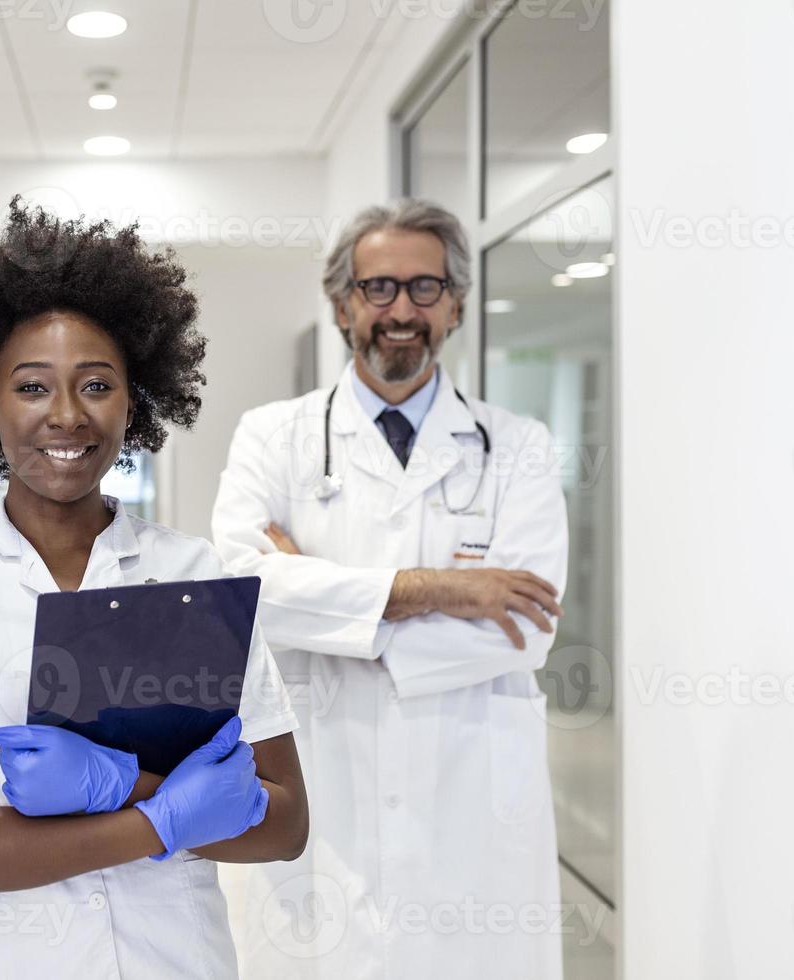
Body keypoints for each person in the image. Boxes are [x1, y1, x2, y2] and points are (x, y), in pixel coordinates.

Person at [0, 199, 309, 979]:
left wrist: (122, 784)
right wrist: (163, 814)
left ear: (134, 400)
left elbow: (283, 823)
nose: (65, 415)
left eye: (96, 384)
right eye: (31, 388)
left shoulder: (198, 578)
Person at [211, 199, 569, 979]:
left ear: (457, 304)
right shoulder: (273, 436)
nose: (400, 310)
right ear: (342, 304)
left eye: (424, 288)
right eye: (378, 289)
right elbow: (242, 591)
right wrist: (438, 588)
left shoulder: (519, 448)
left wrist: (324, 601)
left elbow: (528, 626)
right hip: (323, 778)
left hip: (469, 789)